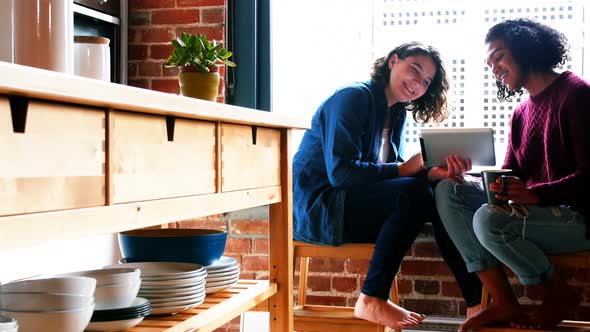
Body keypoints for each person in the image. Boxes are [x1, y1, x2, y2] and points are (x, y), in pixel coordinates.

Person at [292, 41, 483, 329]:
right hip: (323, 210)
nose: (418, 83)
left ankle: (476, 302)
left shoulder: (396, 113)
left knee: (439, 192)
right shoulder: (352, 98)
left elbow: (389, 175)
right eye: (414, 69)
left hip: (352, 205)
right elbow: (342, 175)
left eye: (426, 81)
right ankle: (371, 298)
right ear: (393, 61)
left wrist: (433, 174)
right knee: (415, 192)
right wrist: (408, 170)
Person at [435, 18, 590, 331]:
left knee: (489, 219)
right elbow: (512, 175)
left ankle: (556, 294)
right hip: (539, 211)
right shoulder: (521, 113)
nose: (495, 69)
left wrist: (537, 194)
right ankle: (504, 302)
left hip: (578, 216)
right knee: (447, 192)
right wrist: (468, 178)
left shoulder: (577, 94)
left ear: (525, 48)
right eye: (490, 63)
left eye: (499, 57)